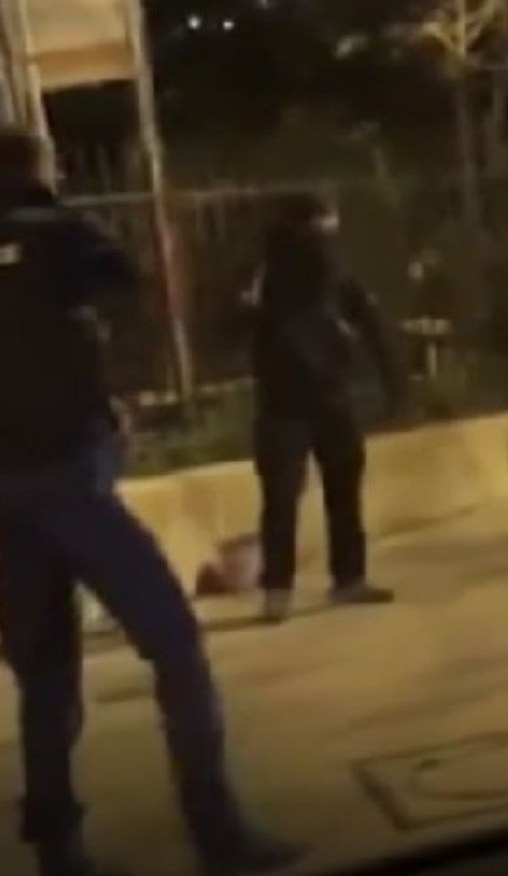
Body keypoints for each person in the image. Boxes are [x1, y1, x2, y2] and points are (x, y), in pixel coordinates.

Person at [0, 128, 304, 876]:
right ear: (37, 168)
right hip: (67, 475)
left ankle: (59, 851)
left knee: (44, 676)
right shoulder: (55, 229)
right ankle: (217, 829)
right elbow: (133, 281)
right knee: (174, 644)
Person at [249, 192, 402, 624]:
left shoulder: (282, 270)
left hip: (302, 397)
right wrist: (392, 381)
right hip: (301, 399)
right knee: (304, 493)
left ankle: (307, 584)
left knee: (304, 492)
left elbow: (366, 317)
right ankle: (316, 582)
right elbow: (369, 321)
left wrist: (389, 377)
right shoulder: (285, 271)